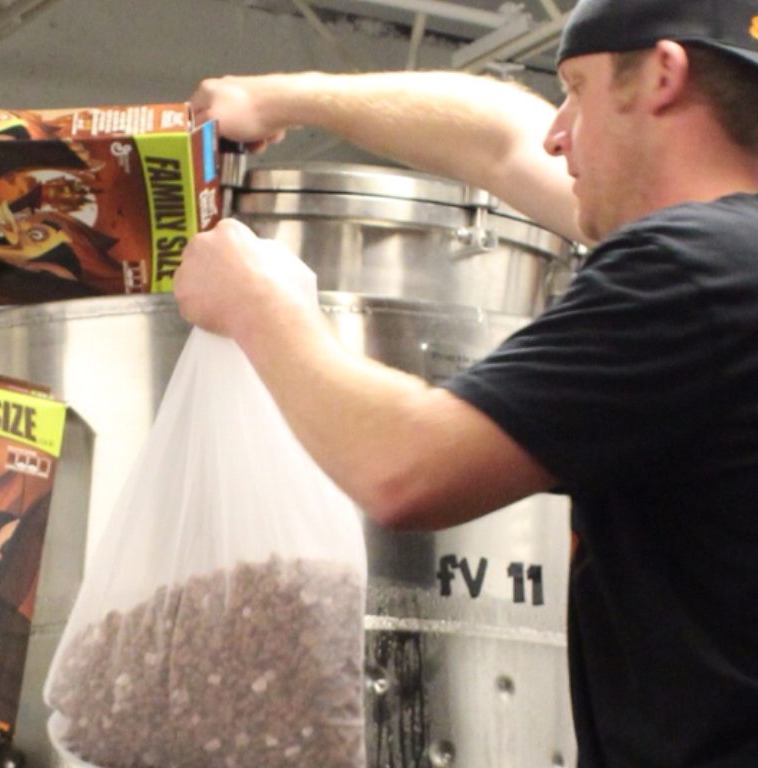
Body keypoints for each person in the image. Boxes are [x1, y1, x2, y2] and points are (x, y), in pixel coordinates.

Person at [173, 0, 758, 766]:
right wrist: (278, 99)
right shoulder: (732, 261)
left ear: (662, 75)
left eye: (576, 90)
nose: (556, 133)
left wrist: (257, 302)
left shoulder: (690, 270)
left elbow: (405, 468)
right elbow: (502, 141)